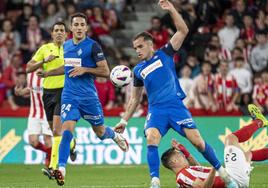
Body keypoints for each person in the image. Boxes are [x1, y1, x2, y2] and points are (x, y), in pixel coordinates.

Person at [114, 1, 235, 187]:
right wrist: (124, 121)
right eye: (135, 47)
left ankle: (222, 172)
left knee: (198, 143)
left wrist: (171, 10)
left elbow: (183, 30)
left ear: (149, 44)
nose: (136, 50)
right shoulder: (138, 71)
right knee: (152, 139)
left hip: (175, 106)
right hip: (156, 110)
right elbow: (135, 99)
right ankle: (155, 181)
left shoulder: (165, 53)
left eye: (139, 46)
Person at [42, 13, 129, 186]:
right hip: (69, 96)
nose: (79, 27)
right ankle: (62, 169)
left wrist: (85, 69)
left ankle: (113, 135)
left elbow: (105, 71)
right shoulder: (65, 46)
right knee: (66, 131)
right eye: (76, 25)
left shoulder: (93, 46)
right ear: (71, 28)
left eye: (82, 25)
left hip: (88, 97)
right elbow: (66, 67)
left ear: (86, 28)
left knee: (100, 132)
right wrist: (48, 73)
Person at [161, 104, 268, 188]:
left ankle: (259, 121)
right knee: (230, 139)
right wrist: (215, 166)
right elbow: (203, 187)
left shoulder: (186, 173)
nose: (183, 156)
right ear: (173, 162)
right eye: (179, 155)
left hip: (234, 180)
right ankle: (259, 121)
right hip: (231, 179)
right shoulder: (183, 175)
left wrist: (184, 150)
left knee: (246, 156)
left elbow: (197, 167)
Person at [26, 21, 76, 179]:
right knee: (57, 131)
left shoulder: (70, 48)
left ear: (66, 34)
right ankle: (72, 144)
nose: (60, 32)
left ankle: (53, 166)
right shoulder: (44, 49)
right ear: (52, 33)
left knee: (55, 130)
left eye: (62, 30)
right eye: (57, 30)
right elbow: (28, 68)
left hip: (65, 92)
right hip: (47, 93)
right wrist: (44, 61)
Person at [15, 70, 52, 167]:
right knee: (33, 141)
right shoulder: (30, 74)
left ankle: (51, 160)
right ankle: (50, 153)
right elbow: (31, 88)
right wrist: (21, 92)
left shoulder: (50, 72)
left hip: (48, 112)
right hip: (34, 113)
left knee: (48, 140)